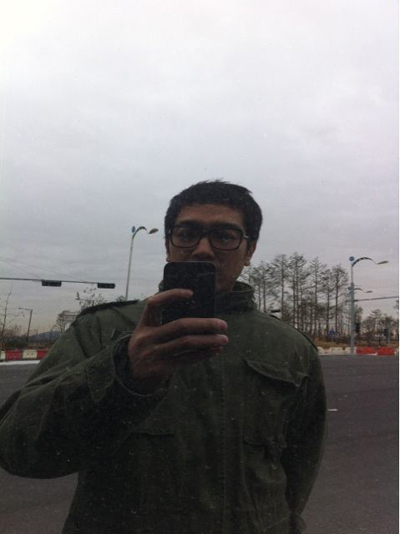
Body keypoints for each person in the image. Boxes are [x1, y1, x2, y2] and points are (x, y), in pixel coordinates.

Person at [0, 181, 326, 534]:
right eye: (187, 234)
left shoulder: (289, 347)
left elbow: (298, 469)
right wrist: (124, 373)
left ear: (250, 250)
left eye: (224, 236)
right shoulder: (101, 330)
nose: (203, 250)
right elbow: (19, 448)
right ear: (169, 245)